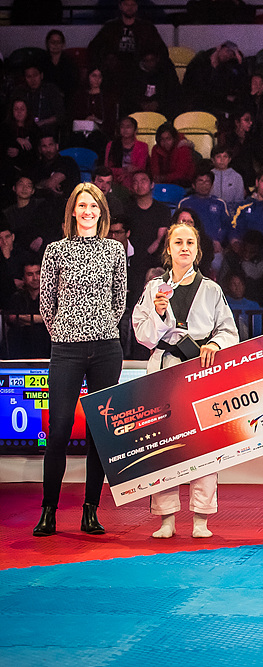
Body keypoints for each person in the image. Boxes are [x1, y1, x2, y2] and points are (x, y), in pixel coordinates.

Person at [132, 219, 239, 538]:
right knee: (163, 444)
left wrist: (215, 344)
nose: (184, 248)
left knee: (204, 444)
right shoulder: (154, 288)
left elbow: (228, 330)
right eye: (178, 242)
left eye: (190, 243)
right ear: (168, 249)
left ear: (197, 250)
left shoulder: (212, 289)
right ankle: (166, 517)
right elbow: (142, 334)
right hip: (164, 367)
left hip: (200, 369)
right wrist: (158, 313)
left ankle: (201, 517)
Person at [33, 183, 127, 537]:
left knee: (98, 433)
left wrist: (101, 326)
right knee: (58, 429)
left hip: (106, 348)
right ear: (73, 210)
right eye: (82, 205)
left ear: (102, 213)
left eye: (94, 206)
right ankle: (48, 511)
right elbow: (47, 303)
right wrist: (64, 330)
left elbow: (119, 300)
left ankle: (91, 510)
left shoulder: (114, 250)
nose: (88, 211)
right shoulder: (55, 250)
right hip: (66, 348)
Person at [105, 116, 149, 186]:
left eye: (128, 127)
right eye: (122, 127)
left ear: (135, 130)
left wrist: (127, 174)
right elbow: (107, 167)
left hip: (134, 180)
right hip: (114, 178)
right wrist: (123, 171)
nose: (125, 129)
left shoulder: (142, 146)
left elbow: (141, 168)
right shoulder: (111, 145)